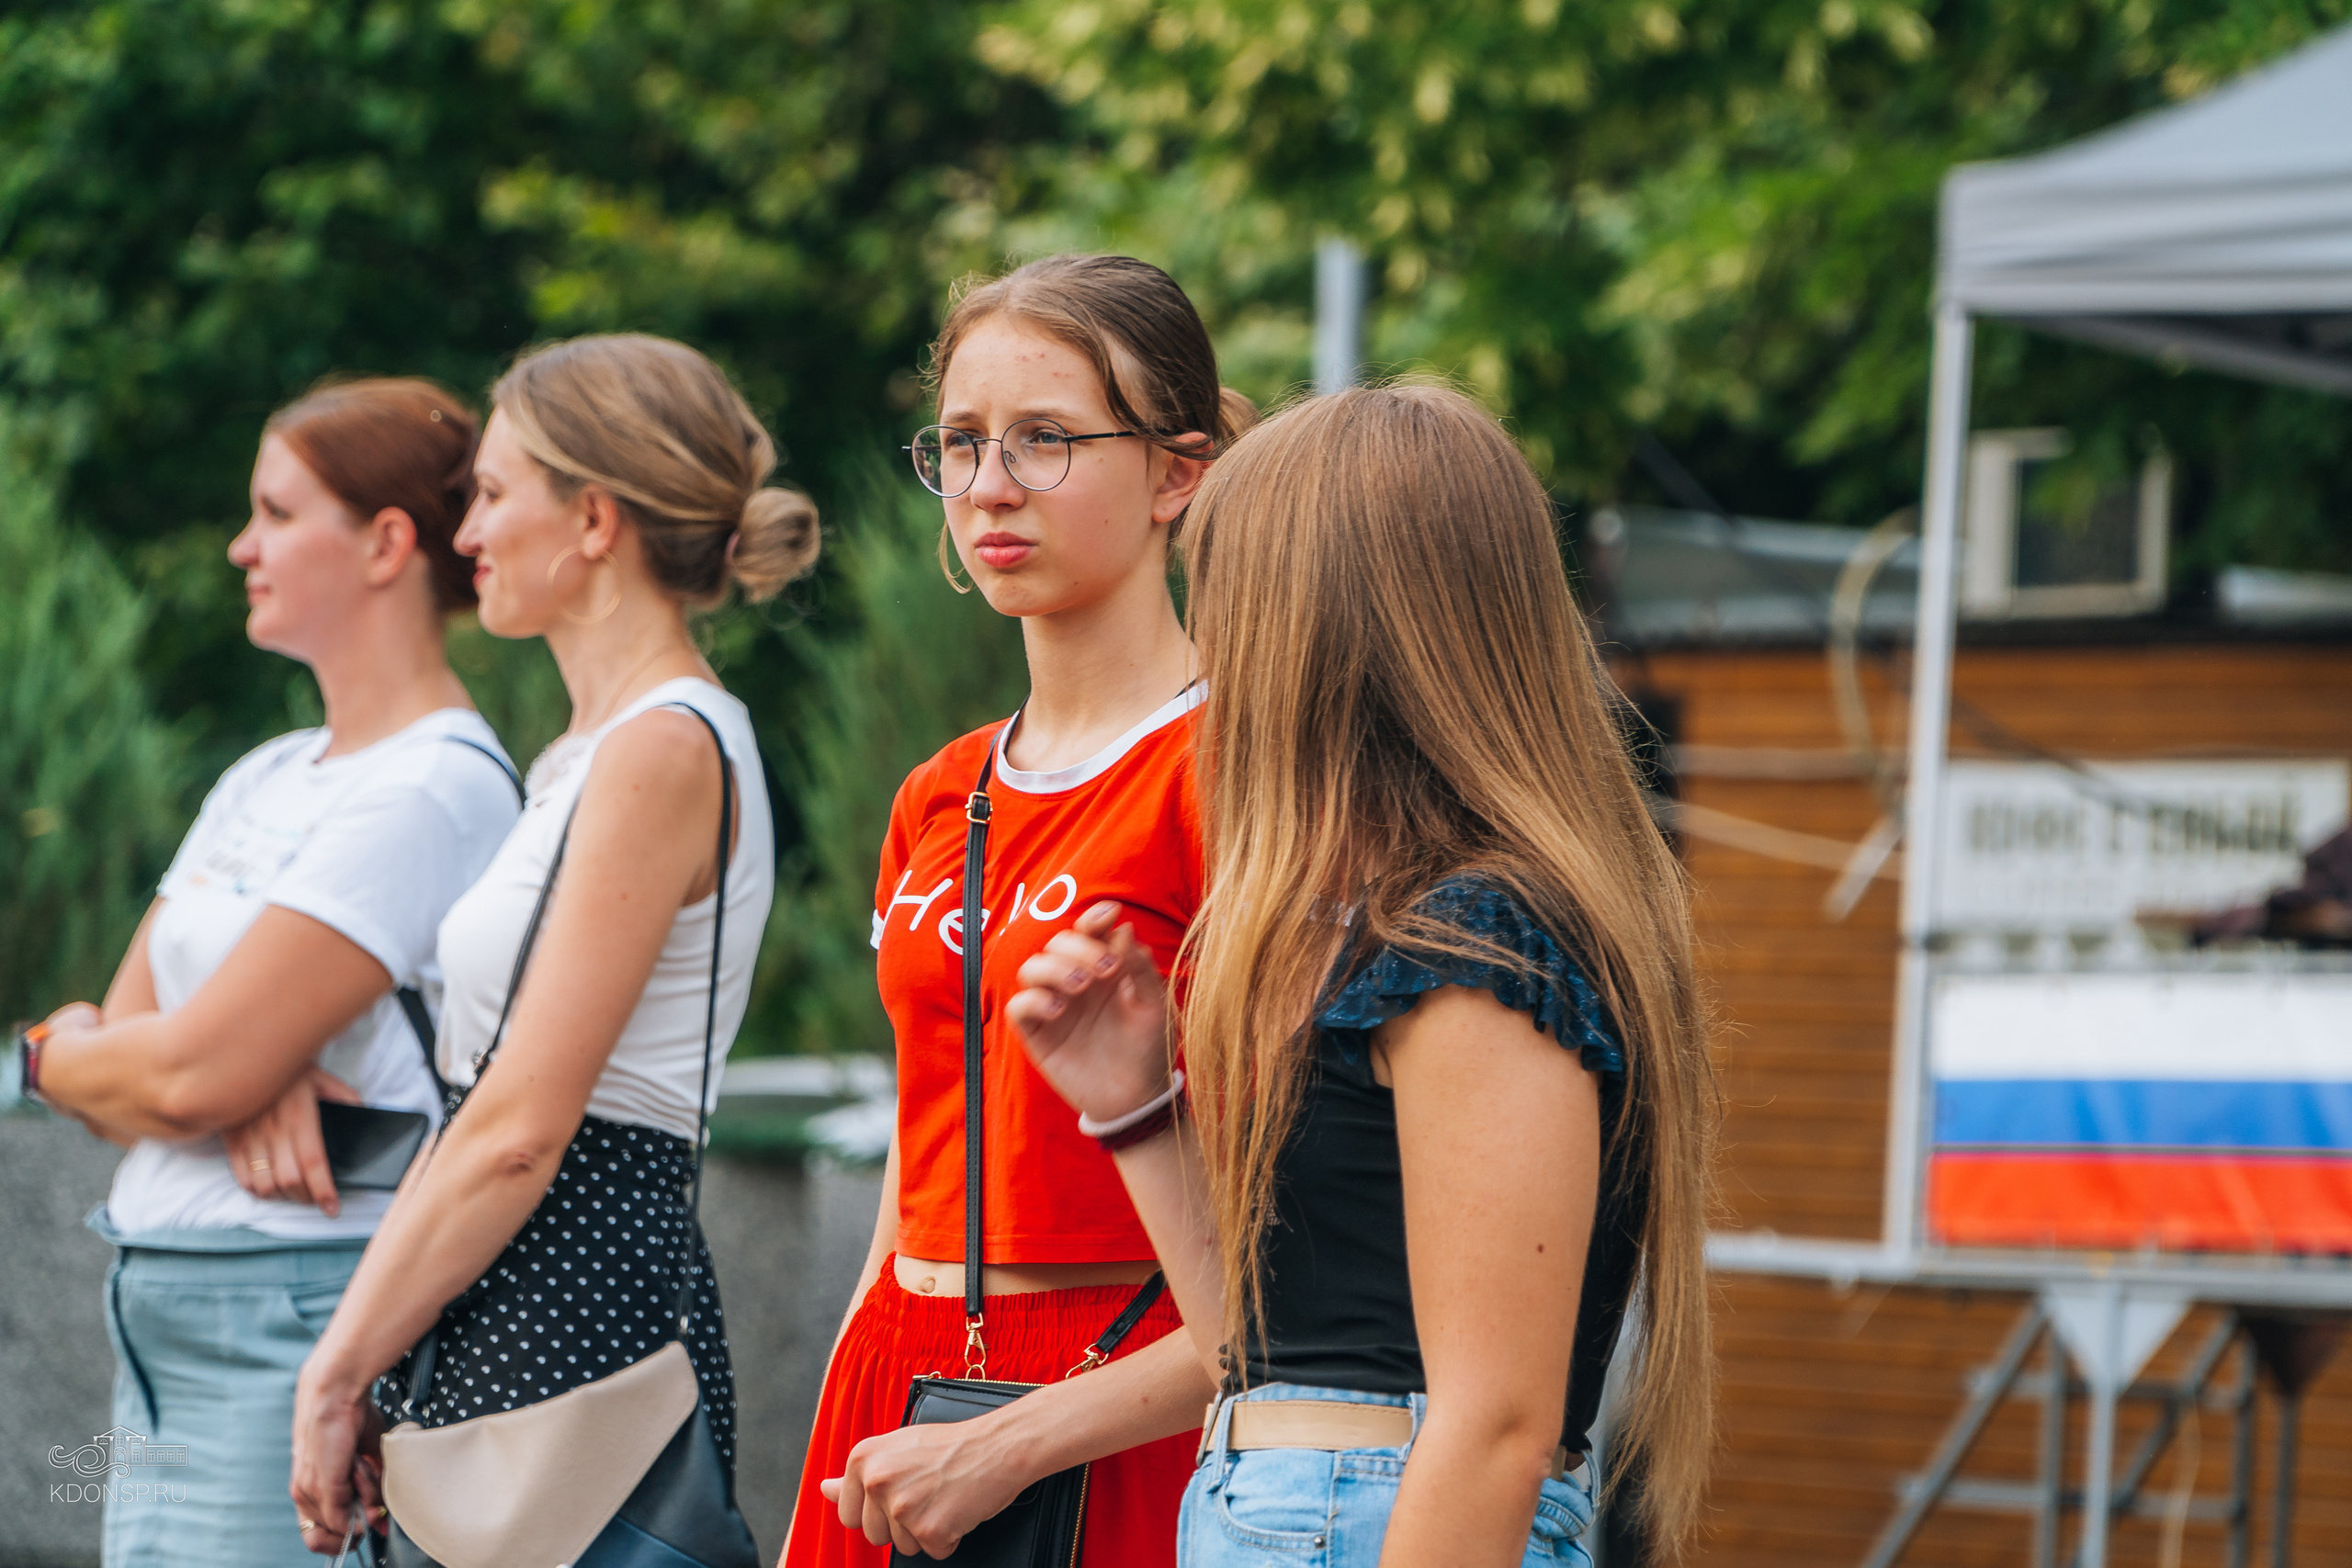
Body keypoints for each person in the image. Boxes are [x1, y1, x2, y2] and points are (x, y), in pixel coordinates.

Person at [1006, 383, 1719, 1568]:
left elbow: (1493, 1427)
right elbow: (1265, 1345)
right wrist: (1133, 1101)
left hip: (1367, 1515)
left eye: (1228, 612)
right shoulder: (1410, 930)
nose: (1212, 664)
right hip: (1313, 1505)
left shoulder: (1479, 944)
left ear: (1320, 635)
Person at [284, 333, 816, 1557]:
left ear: (591, 519)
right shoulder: (594, 753)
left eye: (489, 492)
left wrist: (336, 1367)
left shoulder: (661, 749)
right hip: (524, 1307)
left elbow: (521, 1125)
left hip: (573, 1319)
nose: (464, 533)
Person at [786, 254, 1255, 1567]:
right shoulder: (938, 790)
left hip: (1123, 1392)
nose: (989, 485)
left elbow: (1282, 1243)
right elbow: (913, 1162)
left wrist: (1021, 1434)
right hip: (902, 1379)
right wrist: (838, 1420)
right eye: (963, 442)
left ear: (1179, 472)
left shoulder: (1235, 771)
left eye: (1045, 439)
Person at [23, 378, 523, 1567]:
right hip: (162, 1304)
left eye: (277, 512)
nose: (243, 546)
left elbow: (181, 1072)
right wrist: (76, 1058)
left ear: (387, 542)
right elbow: (129, 1055)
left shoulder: (434, 782)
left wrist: (165, 1068)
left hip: (295, 1310)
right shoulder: (266, 773)